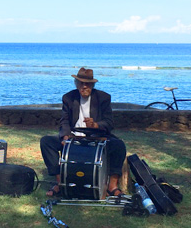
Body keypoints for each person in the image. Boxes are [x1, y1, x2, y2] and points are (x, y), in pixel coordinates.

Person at [40, 68, 127, 197]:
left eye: (87, 84)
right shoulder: (69, 98)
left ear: (92, 85)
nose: (84, 86)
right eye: (81, 83)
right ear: (76, 84)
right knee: (46, 142)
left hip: (97, 137)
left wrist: (96, 125)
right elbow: (64, 121)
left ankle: (112, 186)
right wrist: (65, 136)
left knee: (119, 145)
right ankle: (60, 182)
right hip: (74, 137)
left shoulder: (103, 98)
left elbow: (109, 123)